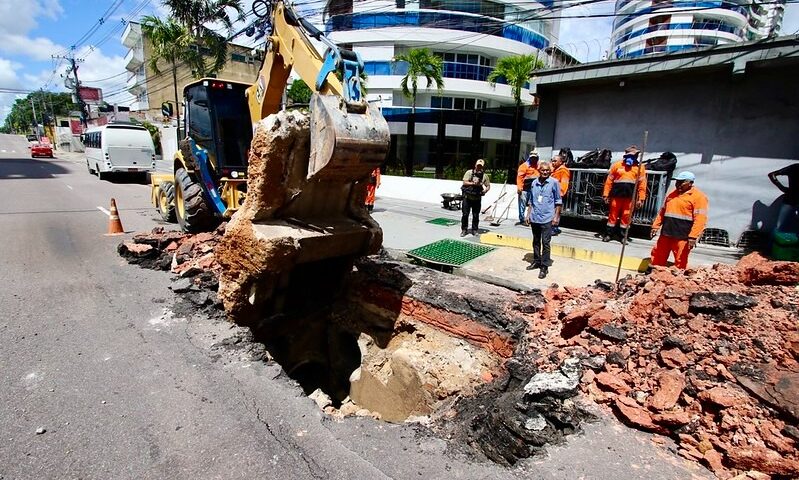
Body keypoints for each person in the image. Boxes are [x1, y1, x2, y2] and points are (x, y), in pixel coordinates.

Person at [650, 171, 708, 269]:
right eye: (677, 182)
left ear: (690, 183)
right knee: (658, 255)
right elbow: (662, 212)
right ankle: (654, 274)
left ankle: (677, 279)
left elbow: (700, 219)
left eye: (681, 182)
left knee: (680, 260)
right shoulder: (672, 194)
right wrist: (655, 226)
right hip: (666, 233)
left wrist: (693, 237)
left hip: (683, 236)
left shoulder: (698, 197)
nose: (678, 184)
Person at [525, 161, 562, 279]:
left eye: (547, 170)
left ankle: (544, 266)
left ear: (550, 171)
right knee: (536, 241)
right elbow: (531, 200)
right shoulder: (534, 183)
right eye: (543, 170)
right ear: (539, 171)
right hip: (535, 216)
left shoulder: (554, 183)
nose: (545, 172)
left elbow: (558, 201)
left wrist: (556, 217)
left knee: (545, 242)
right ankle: (536, 261)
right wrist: (528, 215)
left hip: (547, 217)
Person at [602, 145, 647, 243]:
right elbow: (609, 181)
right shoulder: (617, 165)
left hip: (630, 197)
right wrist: (606, 194)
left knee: (626, 217)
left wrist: (641, 199)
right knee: (612, 216)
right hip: (616, 196)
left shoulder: (640, 168)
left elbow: (642, 184)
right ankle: (609, 234)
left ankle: (623, 236)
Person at [461, 159, 491, 236]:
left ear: (483, 167)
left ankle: (475, 229)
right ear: (475, 165)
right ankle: (464, 229)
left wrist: (485, 191)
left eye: (481, 166)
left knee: (476, 215)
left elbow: (488, 186)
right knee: (465, 214)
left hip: (477, 198)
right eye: (478, 166)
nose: (479, 167)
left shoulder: (485, 176)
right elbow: (464, 182)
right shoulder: (469, 173)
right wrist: (473, 183)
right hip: (467, 197)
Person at [768, 163, 799, 233]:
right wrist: (782, 188)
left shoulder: (794, 167)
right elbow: (772, 175)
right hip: (789, 201)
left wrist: (782, 188)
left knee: (780, 227)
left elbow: (772, 175)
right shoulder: (794, 167)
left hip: (790, 200)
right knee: (780, 228)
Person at [516, 150, 539, 225]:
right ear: (529, 157)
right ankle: (522, 219)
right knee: (522, 204)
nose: (533, 159)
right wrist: (519, 188)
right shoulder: (523, 166)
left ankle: (529, 218)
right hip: (524, 188)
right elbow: (519, 178)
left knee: (532, 204)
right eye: (532, 158)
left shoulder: (538, 166)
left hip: (534, 189)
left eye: (535, 158)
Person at [550, 154, 570, 235]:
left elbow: (564, 184)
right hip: (552, 195)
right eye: (552, 160)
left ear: (561, 162)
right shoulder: (555, 170)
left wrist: (560, 196)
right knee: (552, 212)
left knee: (556, 213)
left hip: (558, 196)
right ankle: (552, 227)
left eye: (555, 161)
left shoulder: (563, 171)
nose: (553, 162)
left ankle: (554, 228)